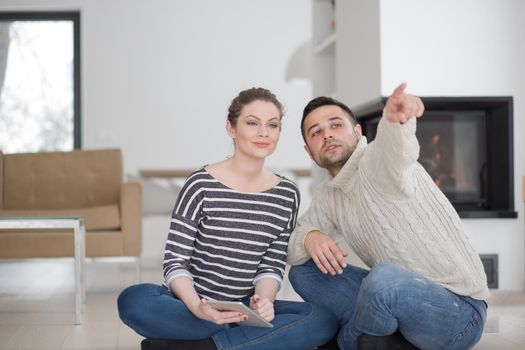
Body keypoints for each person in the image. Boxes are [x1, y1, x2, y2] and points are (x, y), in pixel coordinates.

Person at [118, 87, 338, 350]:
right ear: (231, 129)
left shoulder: (286, 194)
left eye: (273, 125)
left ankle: (202, 346)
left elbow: (271, 264)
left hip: (244, 311)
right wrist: (198, 307)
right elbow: (175, 261)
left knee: (322, 319)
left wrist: (263, 302)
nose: (263, 132)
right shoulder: (200, 184)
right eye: (252, 123)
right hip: (188, 306)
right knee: (133, 299)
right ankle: (235, 341)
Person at [287, 83, 489, 350]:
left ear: (357, 131)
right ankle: (383, 338)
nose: (327, 135)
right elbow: (292, 249)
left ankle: (350, 341)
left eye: (336, 125)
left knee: (383, 280)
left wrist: (395, 121)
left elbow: (395, 149)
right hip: (397, 298)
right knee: (303, 274)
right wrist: (310, 236)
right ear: (309, 152)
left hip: (460, 313)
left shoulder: (374, 160)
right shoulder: (328, 194)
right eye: (316, 132)